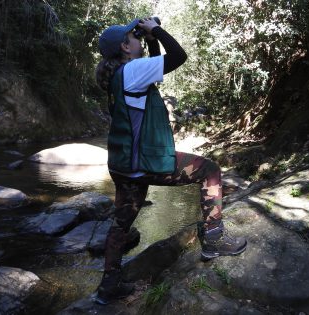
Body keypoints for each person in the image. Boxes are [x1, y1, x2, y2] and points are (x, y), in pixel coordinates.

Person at [94, 17, 247, 305]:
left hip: (123, 165)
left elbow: (157, 68)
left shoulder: (121, 73)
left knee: (121, 223)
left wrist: (150, 39)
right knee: (210, 170)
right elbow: (178, 56)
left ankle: (109, 285)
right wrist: (156, 31)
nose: (138, 38)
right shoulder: (133, 70)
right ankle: (214, 238)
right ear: (125, 47)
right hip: (144, 162)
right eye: (134, 36)